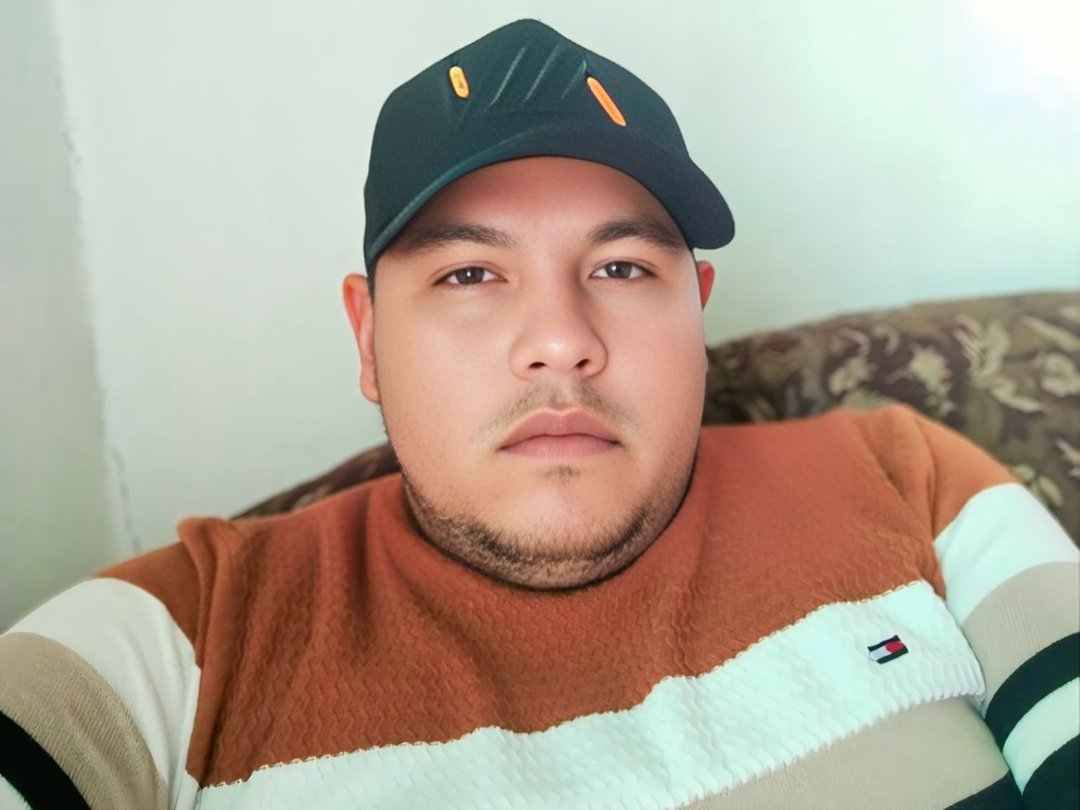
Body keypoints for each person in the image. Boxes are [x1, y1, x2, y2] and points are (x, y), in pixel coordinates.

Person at [1, 18, 1076, 810]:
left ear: (696, 312)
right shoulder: (183, 645)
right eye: (470, 274)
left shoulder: (906, 479)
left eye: (621, 266)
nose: (560, 339)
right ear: (368, 339)